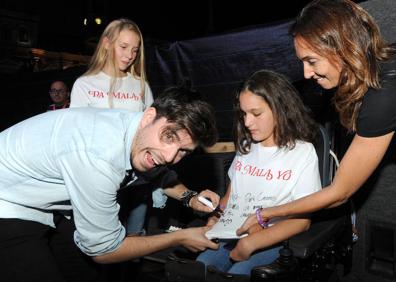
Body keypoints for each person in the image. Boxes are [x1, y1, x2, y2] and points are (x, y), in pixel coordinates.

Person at [0, 86, 220, 282]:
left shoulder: (140, 129)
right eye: (169, 137)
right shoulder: (98, 156)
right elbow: (104, 250)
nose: (171, 156)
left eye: (183, 150)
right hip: (7, 202)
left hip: (46, 202)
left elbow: (158, 173)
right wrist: (179, 237)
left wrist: (190, 198)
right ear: (149, 116)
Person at [237, 0, 396, 238]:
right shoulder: (379, 71)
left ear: (343, 48)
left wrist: (266, 213)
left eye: (311, 61)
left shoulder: (385, 93)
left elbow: (340, 192)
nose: (306, 73)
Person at [196, 70, 322, 275]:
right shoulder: (246, 145)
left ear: (280, 109)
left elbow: (302, 221)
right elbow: (229, 199)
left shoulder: (302, 153)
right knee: (200, 268)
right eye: (243, 114)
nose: (247, 122)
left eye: (256, 114)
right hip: (232, 233)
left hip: (273, 239)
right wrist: (216, 218)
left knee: (241, 274)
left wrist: (252, 243)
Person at [70, 18, 154, 237]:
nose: (129, 55)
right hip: (100, 181)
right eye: (123, 47)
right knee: (106, 246)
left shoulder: (140, 85)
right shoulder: (85, 84)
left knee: (135, 244)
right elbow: (75, 136)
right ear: (106, 43)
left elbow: (151, 131)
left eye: (135, 50)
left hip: (137, 180)